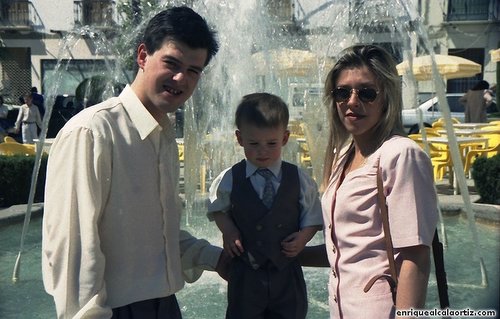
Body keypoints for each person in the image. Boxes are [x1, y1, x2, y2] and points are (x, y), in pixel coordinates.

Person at [42, 7, 230, 319]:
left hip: (165, 305)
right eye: (171, 63)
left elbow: (158, 233)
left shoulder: (163, 136)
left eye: (194, 70)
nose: (181, 78)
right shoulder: (93, 132)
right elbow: (70, 251)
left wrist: (213, 257)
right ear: (143, 56)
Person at [320, 45, 438, 318]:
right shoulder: (343, 158)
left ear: (386, 98)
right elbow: (346, 245)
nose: (352, 101)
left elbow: (415, 255)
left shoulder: (401, 154)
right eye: (342, 92)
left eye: (366, 93)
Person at [207, 93, 323, 319]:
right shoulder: (229, 178)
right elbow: (217, 208)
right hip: (245, 274)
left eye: (271, 143)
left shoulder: (298, 178)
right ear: (240, 139)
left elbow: (313, 216)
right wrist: (228, 230)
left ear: (285, 138)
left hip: (286, 274)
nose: (263, 151)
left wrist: (303, 238)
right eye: (254, 144)